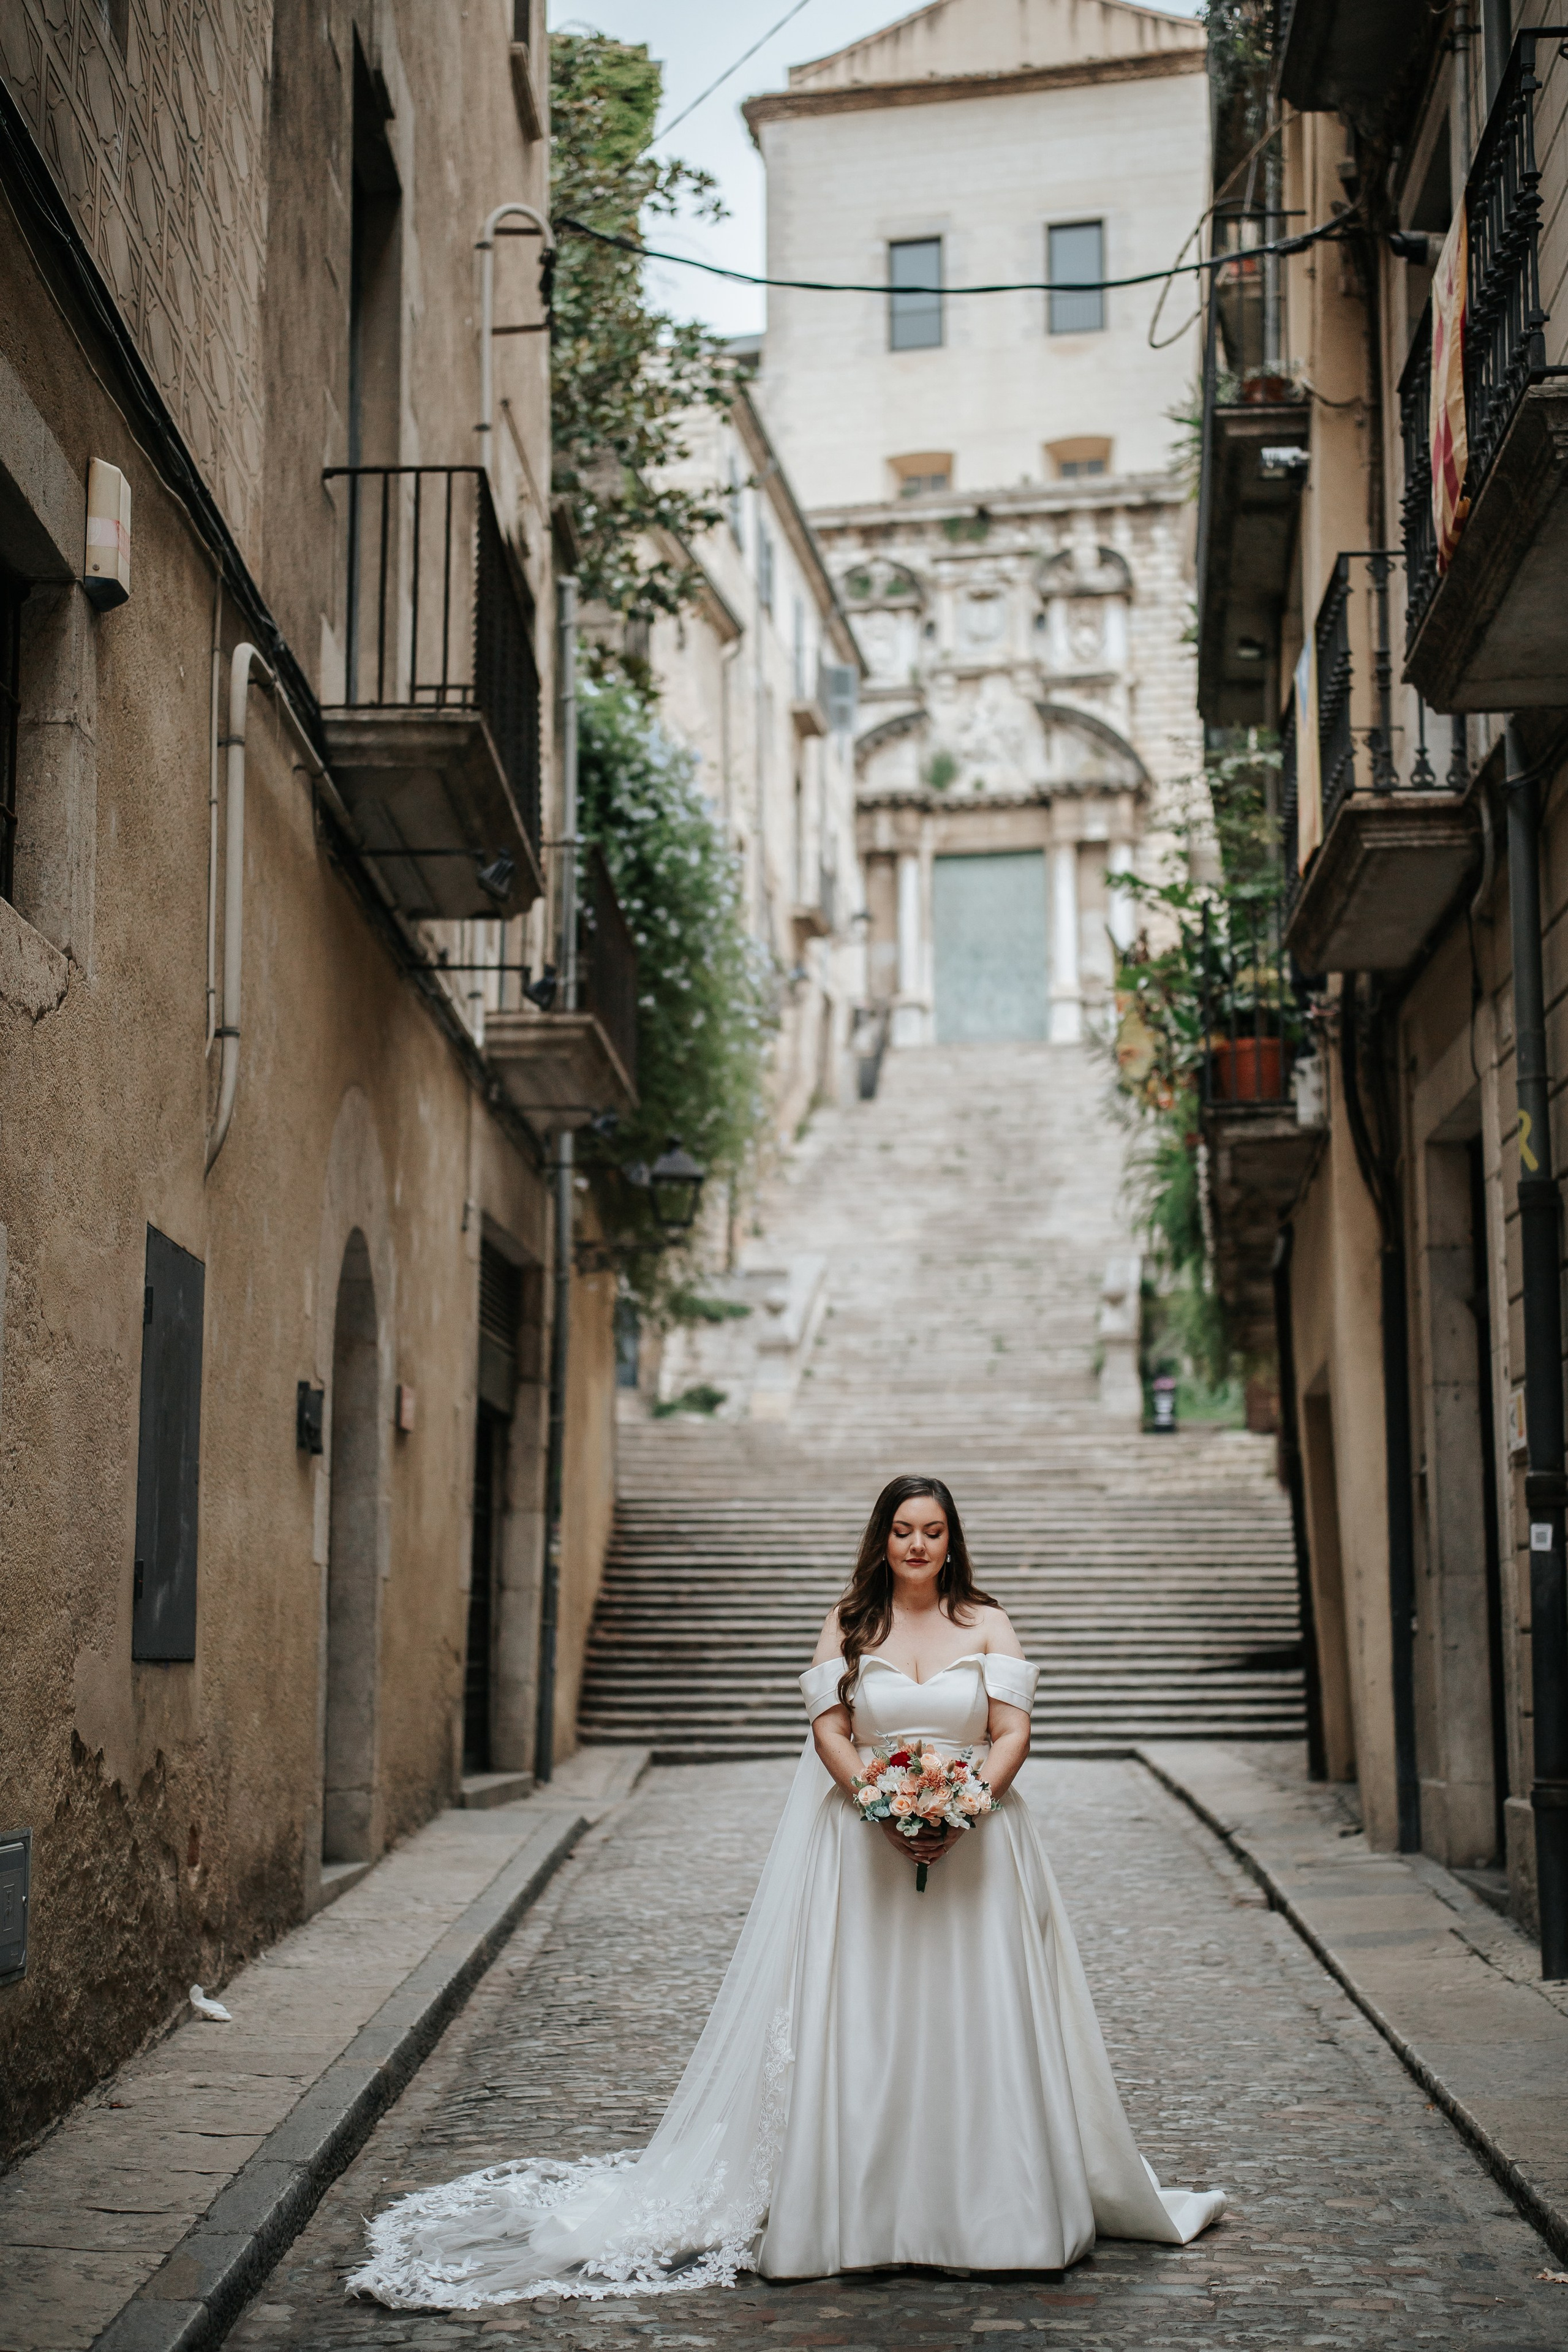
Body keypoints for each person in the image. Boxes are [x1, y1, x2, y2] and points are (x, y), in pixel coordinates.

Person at [349, 1474, 1224, 2309]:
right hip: (867, 1851)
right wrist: (882, 1804)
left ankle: (1004, 2217)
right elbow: (831, 1729)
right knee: (868, 2020)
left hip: (984, 1849)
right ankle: (853, 2215)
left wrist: (967, 1805)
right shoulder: (849, 1621)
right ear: (882, 1540)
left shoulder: (989, 1622)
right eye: (903, 1529)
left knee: (979, 2015)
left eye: (933, 1531)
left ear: (952, 1541)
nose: (918, 1543)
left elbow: (1013, 1731)